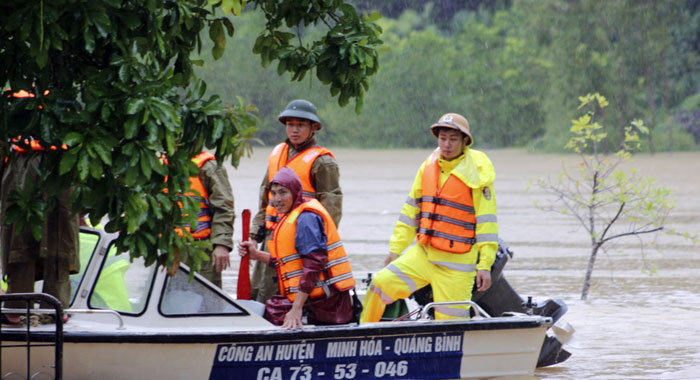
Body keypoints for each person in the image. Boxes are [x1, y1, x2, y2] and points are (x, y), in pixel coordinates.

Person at [360, 113, 498, 322]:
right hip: (424, 255)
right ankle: (365, 334)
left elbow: (486, 223)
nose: (447, 144)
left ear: (464, 142)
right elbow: (410, 213)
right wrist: (395, 249)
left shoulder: (478, 173)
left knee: (451, 325)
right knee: (381, 283)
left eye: (453, 139)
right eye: (443, 138)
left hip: (457, 266)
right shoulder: (427, 167)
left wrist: (485, 265)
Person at [249, 99, 342, 303]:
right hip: (271, 240)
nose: (295, 130)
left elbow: (331, 211)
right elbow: (265, 201)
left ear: (313, 128)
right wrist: (254, 236)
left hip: (301, 243)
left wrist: (314, 251)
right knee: (259, 294)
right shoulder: (277, 155)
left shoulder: (323, 162)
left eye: (301, 125)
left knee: (287, 294)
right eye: (290, 124)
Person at [239, 167, 354, 330]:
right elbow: (287, 263)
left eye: (283, 192)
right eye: (274, 193)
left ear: (295, 192)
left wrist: (296, 309)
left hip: (327, 304)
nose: (277, 199)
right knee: (270, 310)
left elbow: (314, 264)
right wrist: (256, 255)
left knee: (273, 315)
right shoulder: (291, 215)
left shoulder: (306, 218)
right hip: (310, 299)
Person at [0, 137, 80, 316]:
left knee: (57, 240)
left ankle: (40, 310)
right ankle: (20, 309)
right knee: (21, 241)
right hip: (27, 162)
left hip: (58, 163)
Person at [180, 151, 235, 288]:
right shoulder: (161, 165)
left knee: (206, 301)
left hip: (201, 249)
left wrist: (221, 244)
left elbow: (224, 207)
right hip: (169, 249)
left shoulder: (209, 166)